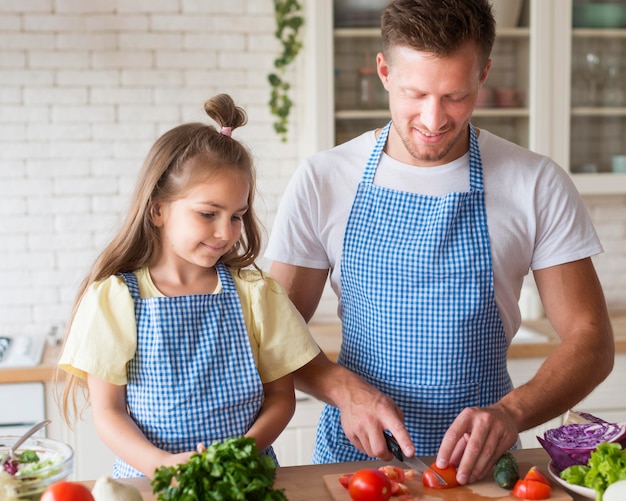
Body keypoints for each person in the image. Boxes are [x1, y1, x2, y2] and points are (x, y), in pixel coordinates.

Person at [265, 0, 615, 485]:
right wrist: (343, 391)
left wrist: (511, 413)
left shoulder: (535, 182)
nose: (433, 119)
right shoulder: (324, 178)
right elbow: (276, 330)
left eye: (455, 96)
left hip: (484, 469)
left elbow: (592, 339)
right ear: (384, 70)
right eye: (415, 94)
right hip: (357, 468)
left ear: (484, 73)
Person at [57, 94, 320, 478]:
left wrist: (240, 454)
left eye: (237, 216)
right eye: (208, 213)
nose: (225, 232)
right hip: (155, 481)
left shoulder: (257, 292)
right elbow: (108, 412)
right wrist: (161, 465)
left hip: (244, 476)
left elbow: (280, 398)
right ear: (158, 209)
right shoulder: (116, 299)